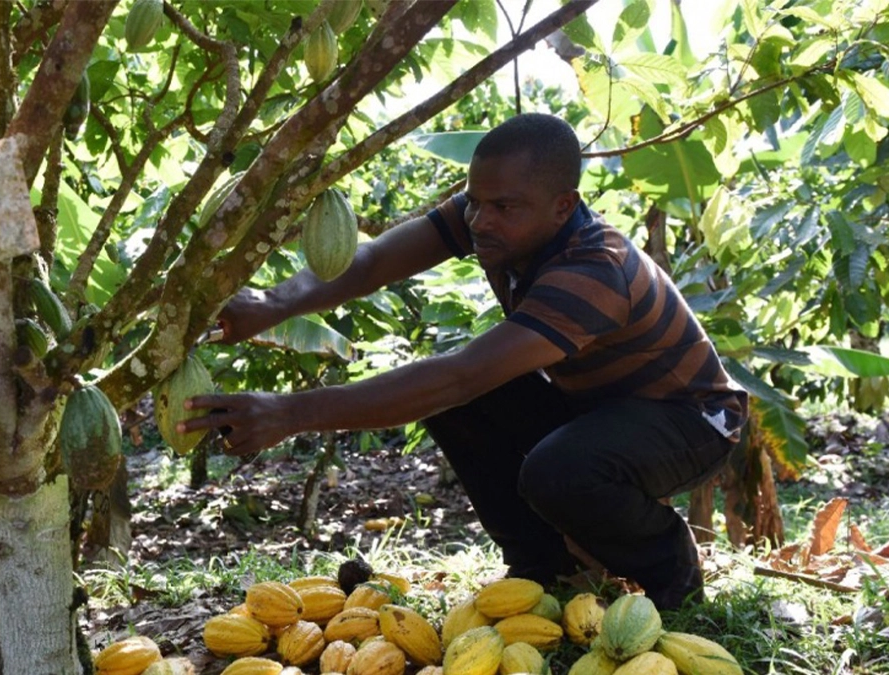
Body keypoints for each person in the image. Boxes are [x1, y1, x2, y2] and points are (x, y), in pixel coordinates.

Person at [179, 113, 748, 609]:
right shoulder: (494, 219)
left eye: (503, 207)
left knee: (554, 465)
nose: (480, 220)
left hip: (692, 421)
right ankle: (547, 570)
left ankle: (669, 570)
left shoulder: (595, 269)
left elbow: (461, 376)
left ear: (563, 206)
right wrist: (270, 304)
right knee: (462, 407)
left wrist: (288, 413)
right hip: (602, 407)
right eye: (474, 201)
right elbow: (375, 261)